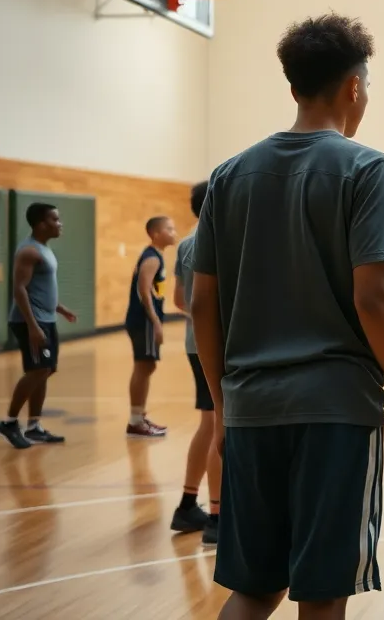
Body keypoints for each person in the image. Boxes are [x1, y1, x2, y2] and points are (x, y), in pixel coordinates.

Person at [189, 13, 384, 620]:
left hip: (250, 408)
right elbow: (373, 297)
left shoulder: (229, 175)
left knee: (254, 588)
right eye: (368, 84)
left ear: (293, 84)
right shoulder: (366, 168)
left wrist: (222, 409)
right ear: (354, 87)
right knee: (322, 591)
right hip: (334, 411)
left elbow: (201, 304)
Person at [0, 203, 77, 449]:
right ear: (42, 224)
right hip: (29, 321)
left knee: (46, 369)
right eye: (55, 219)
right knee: (37, 370)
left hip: (46, 318)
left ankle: (34, 427)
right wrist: (32, 326)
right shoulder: (29, 251)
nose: (60, 224)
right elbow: (19, 290)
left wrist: (59, 308)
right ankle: (9, 422)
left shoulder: (44, 249)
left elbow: (40, 289)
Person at [169, 180, 221, 545]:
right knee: (220, 426)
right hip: (216, 346)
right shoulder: (216, 241)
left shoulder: (186, 243)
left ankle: (189, 503)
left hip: (194, 343)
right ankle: (217, 516)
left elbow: (179, 300)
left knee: (209, 424)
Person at [125, 214, 177, 437]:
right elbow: (143, 290)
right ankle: (136, 421)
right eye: (169, 229)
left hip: (145, 319)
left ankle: (139, 417)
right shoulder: (152, 257)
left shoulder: (156, 256)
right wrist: (155, 322)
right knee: (143, 366)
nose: (174, 233)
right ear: (156, 233)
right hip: (144, 319)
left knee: (147, 366)